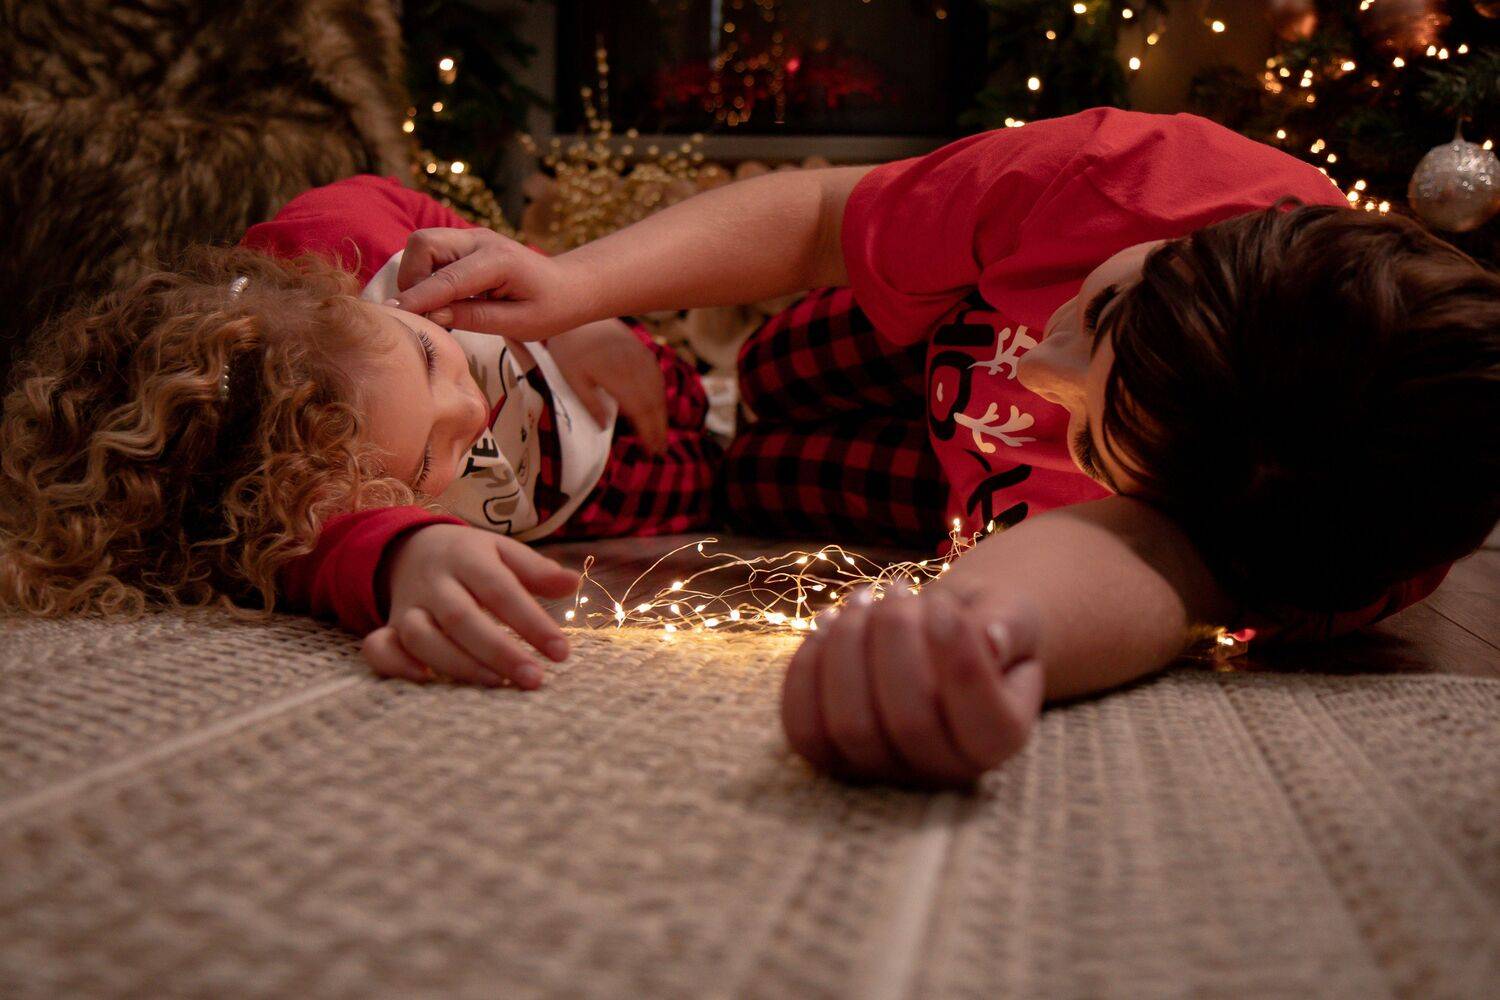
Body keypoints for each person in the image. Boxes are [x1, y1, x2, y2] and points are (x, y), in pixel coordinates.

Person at [385, 108, 1500, 786]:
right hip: (939, 324)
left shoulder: (1304, 532)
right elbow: (822, 221)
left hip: (963, 496)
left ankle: (739, 447)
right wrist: (574, 283)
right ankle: (721, 392)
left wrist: (974, 636)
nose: (1042, 370)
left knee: (756, 484)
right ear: (1204, 240)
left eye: (1094, 436)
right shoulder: (1135, 177)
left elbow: (1145, 579)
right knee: (770, 367)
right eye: (1103, 313)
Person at [0, 176, 721, 689]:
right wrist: (407, 552)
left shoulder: (336, 236)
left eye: (430, 356)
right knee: (757, 474)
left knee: (758, 373)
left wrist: (575, 306)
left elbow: (432, 222)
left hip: (600, 365)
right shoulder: (286, 492)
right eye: (425, 463)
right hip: (614, 497)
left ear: (339, 296)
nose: (472, 413)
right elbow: (322, 552)